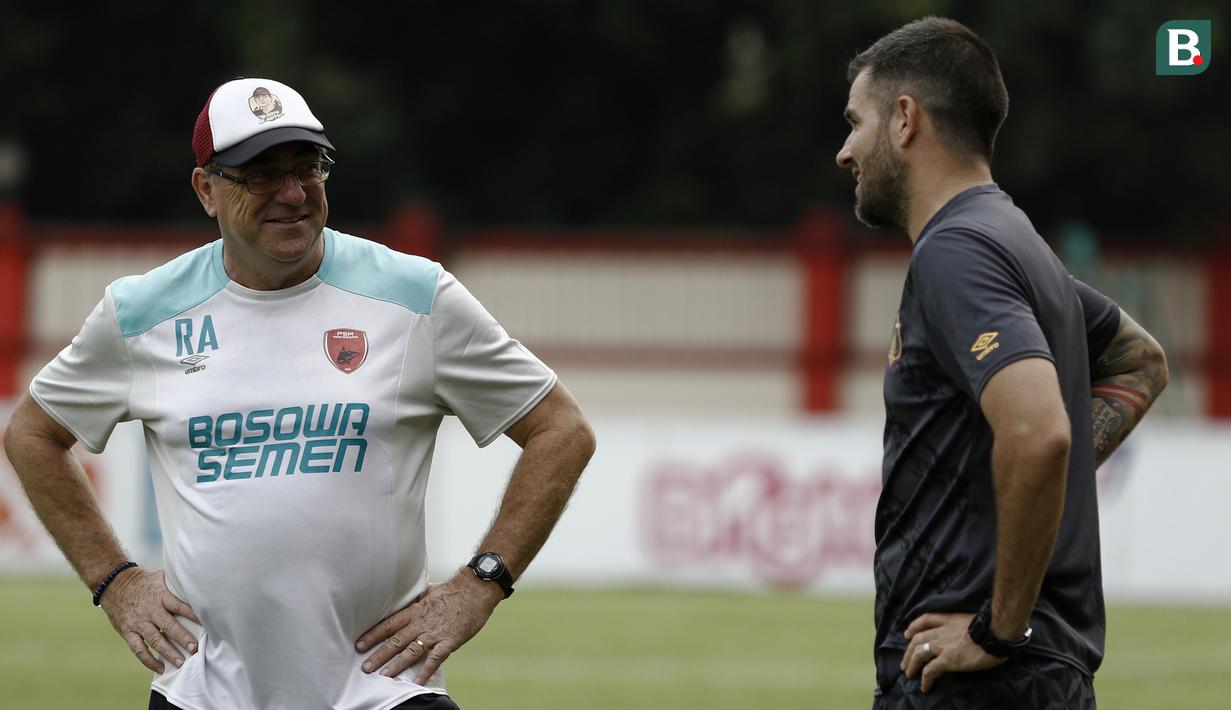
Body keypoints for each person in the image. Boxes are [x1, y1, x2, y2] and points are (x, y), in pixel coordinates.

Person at [3, 77, 596, 710]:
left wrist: (481, 584)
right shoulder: (141, 312)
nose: (292, 193)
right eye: (260, 175)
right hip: (203, 695)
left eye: (307, 167)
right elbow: (32, 434)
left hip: (387, 693)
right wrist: (115, 582)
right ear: (206, 190)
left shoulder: (415, 296)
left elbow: (562, 431)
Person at [834, 18, 1168, 709]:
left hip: (974, 682)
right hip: (1038, 677)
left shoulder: (956, 250)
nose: (843, 152)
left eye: (854, 122)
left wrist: (997, 627)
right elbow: (1140, 361)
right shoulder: (1018, 244)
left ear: (904, 120)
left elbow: (1040, 433)